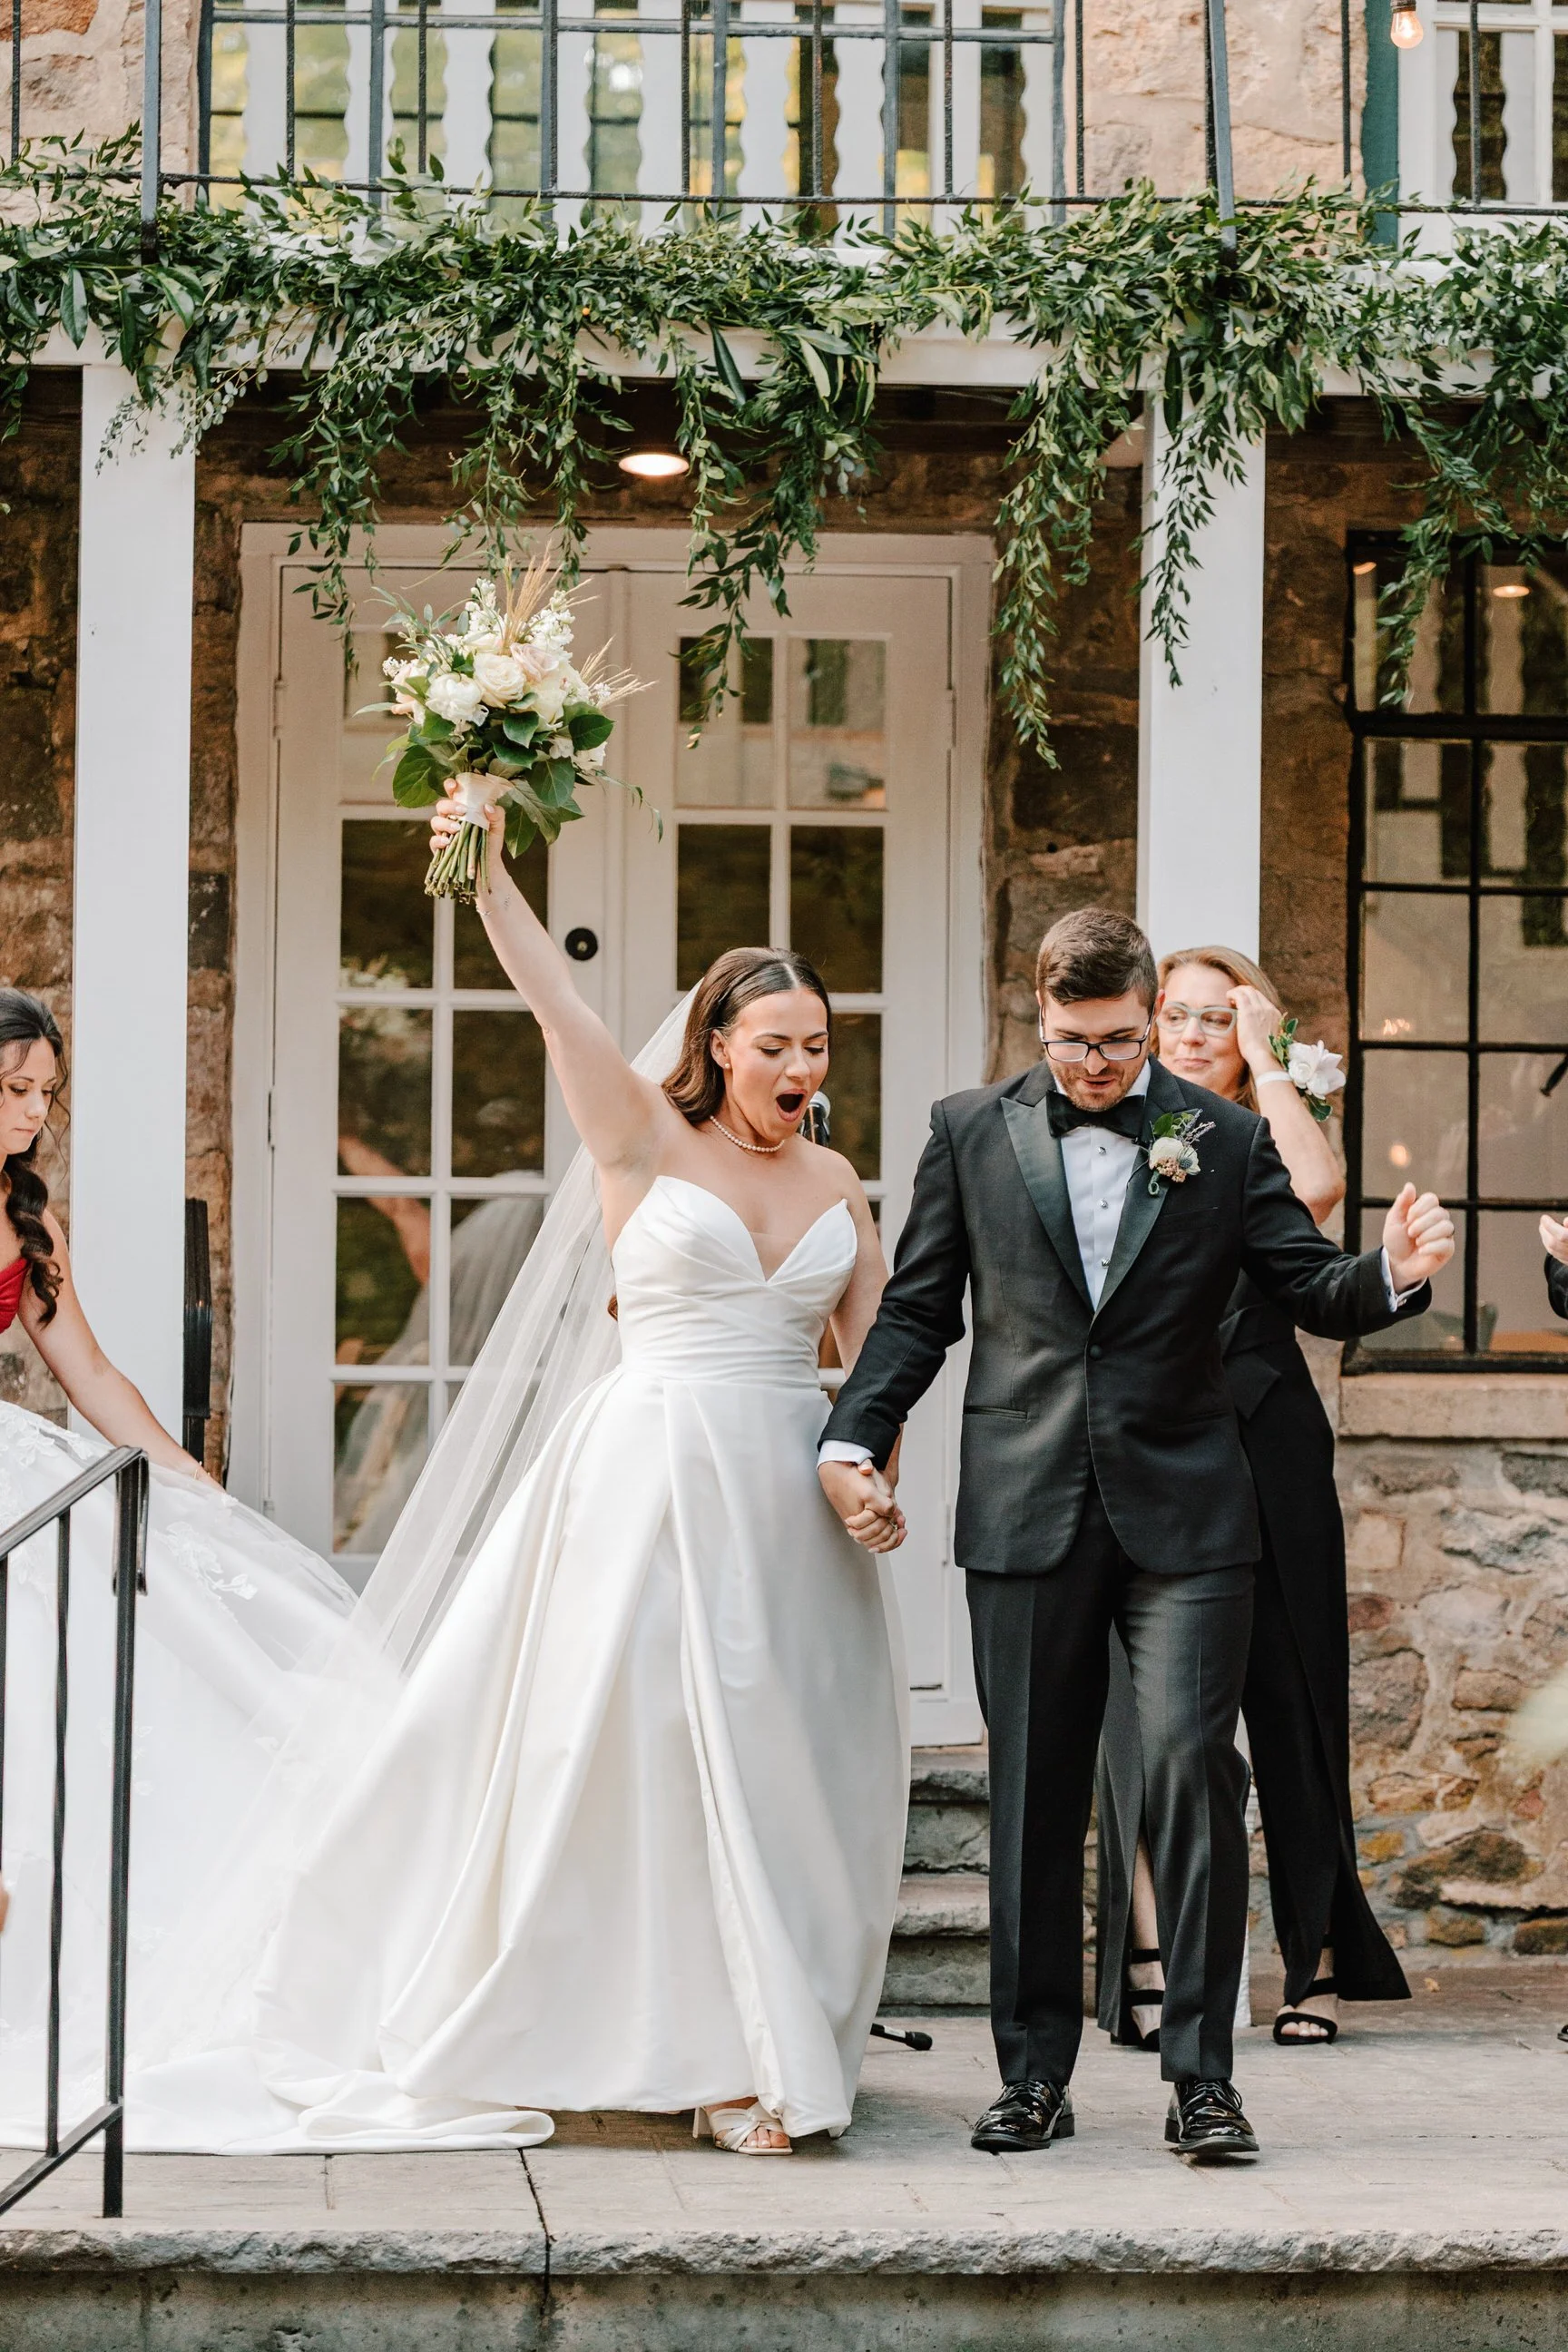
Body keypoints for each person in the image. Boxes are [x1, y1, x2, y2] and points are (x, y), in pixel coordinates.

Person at [818, 907, 1455, 2163]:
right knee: (1037, 1799)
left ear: (1149, 1014)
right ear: (1037, 1019)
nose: (1094, 1069)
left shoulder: (1218, 1136)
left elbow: (1307, 1287)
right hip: (1026, 1505)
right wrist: (850, 1437)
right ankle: (1032, 2076)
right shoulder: (969, 1132)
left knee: (1192, 1778)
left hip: (1189, 1511)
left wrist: (1387, 1271)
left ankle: (1204, 2080)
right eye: (1070, 1045)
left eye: (1116, 1044)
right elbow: (914, 1315)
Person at [0, 990, 371, 2136]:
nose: (32, 1113)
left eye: (45, 1093)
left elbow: (94, 1373)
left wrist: (180, 1475)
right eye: (14, 1087)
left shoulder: (28, 1225)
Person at [1096, 946, 1409, 2060]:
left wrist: (1274, 1062)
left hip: (1267, 1440)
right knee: (1143, 1719)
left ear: (1249, 1034)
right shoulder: (1116, 1119)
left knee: (1294, 1702)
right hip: (1151, 1452)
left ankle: (1314, 1958)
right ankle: (1146, 1957)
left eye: (1215, 1020)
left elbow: (1320, 1197)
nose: (1190, 1036)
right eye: (1174, 1015)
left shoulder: (1274, 1122)